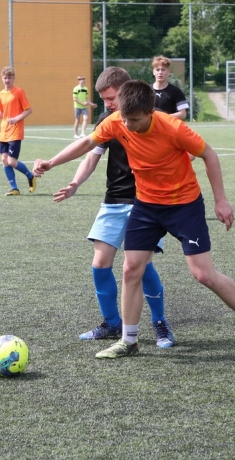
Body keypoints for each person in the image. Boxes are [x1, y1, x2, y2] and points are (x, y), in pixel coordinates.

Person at [34, 80, 235, 359]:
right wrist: (52, 162)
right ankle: (129, 341)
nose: (127, 125)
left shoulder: (173, 128)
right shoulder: (117, 120)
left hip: (184, 206)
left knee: (203, 274)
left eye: (135, 120)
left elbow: (209, 155)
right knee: (130, 269)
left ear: (150, 112)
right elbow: (89, 142)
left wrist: (221, 200)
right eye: (125, 119)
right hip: (146, 206)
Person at [51, 67, 173, 349]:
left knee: (141, 266)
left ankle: (160, 322)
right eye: (104, 99)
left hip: (147, 202)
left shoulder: (151, 118)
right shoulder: (107, 120)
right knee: (100, 264)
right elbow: (91, 155)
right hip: (114, 199)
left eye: (111, 98)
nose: (107, 104)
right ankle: (111, 323)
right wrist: (75, 183)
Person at [0, 66, 37, 196]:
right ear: (2, 79)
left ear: (14, 78)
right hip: (3, 132)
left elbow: (29, 110)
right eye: (5, 78)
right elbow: (2, 112)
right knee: (4, 160)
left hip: (15, 131)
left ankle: (30, 176)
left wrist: (16, 119)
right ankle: (14, 189)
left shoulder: (19, 92)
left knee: (11, 161)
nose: (7, 80)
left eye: (9, 77)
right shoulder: (0, 94)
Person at [152, 55, 188, 120]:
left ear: (168, 72)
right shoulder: (146, 91)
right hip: (151, 126)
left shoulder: (176, 91)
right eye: (157, 70)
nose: (160, 72)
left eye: (163, 70)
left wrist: (163, 117)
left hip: (168, 125)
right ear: (153, 72)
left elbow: (183, 114)